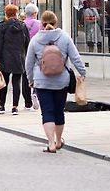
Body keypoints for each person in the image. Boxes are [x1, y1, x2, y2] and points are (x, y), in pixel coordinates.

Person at [25, 10, 86, 153]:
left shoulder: (35, 40)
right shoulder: (64, 37)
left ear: (41, 23)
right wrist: (82, 73)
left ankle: (51, 143)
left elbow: (28, 63)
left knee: (47, 112)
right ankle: (59, 141)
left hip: (42, 81)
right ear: (55, 22)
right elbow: (75, 57)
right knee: (59, 111)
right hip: (61, 81)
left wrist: (31, 80)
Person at [0, 4, 30, 115]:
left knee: (4, 82)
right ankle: (15, 107)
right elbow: (27, 43)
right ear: (16, 13)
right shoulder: (23, 26)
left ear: (6, 13)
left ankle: (2, 106)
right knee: (16, 82)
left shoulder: (3, 26)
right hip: (19, 58)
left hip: (5, 58)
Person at [22, 3, 42, 110]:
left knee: (25, 76)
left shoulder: (21, 24)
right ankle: (35, 92)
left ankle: (27, 103)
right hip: (36, 53)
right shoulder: (39, 24)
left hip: (24, 53)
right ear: (35, 13)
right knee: (37, 74)